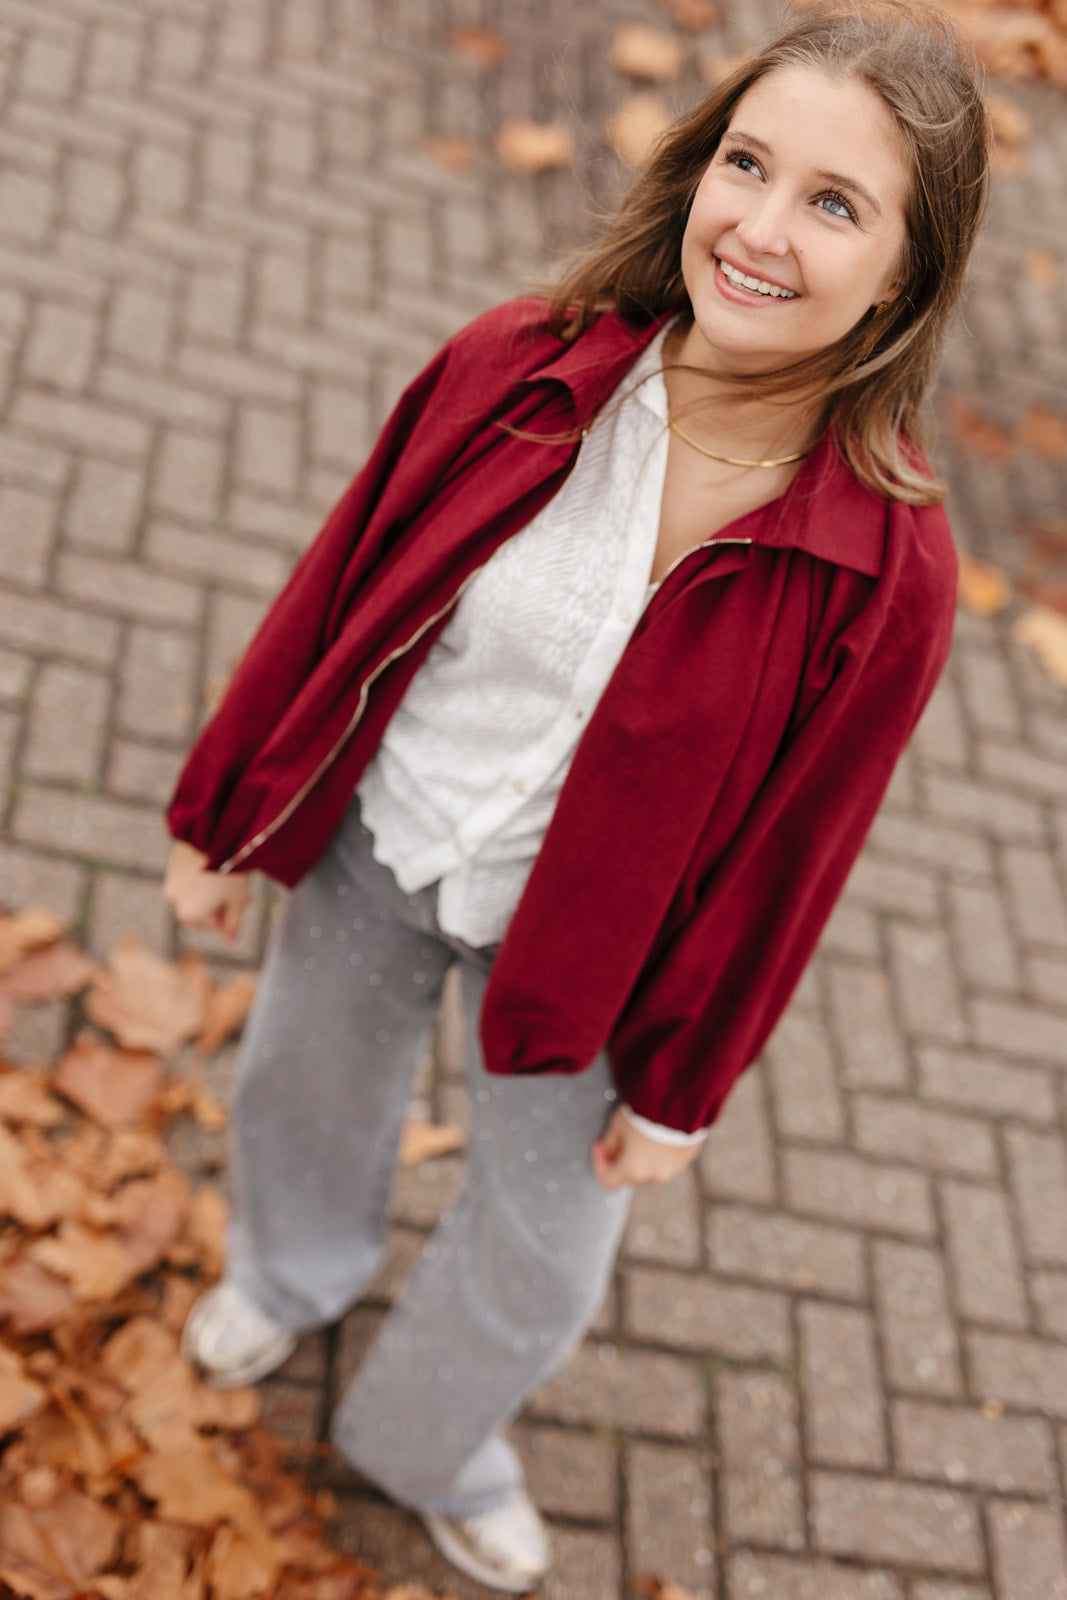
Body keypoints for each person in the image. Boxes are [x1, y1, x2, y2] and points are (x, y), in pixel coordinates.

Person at [163, 1, 990, 1589]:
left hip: (592, 963)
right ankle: (292, 1272)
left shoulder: (892, 570)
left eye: (835, 202)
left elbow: (798, 856)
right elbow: (339, 583)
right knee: (305, 1089)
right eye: (747, 164)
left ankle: (425, 1443)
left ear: (904, 270)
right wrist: (222, 816)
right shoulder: (516, 367)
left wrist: (685, 1087)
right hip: (386, 845)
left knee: (545, 1251)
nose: (758, 228)